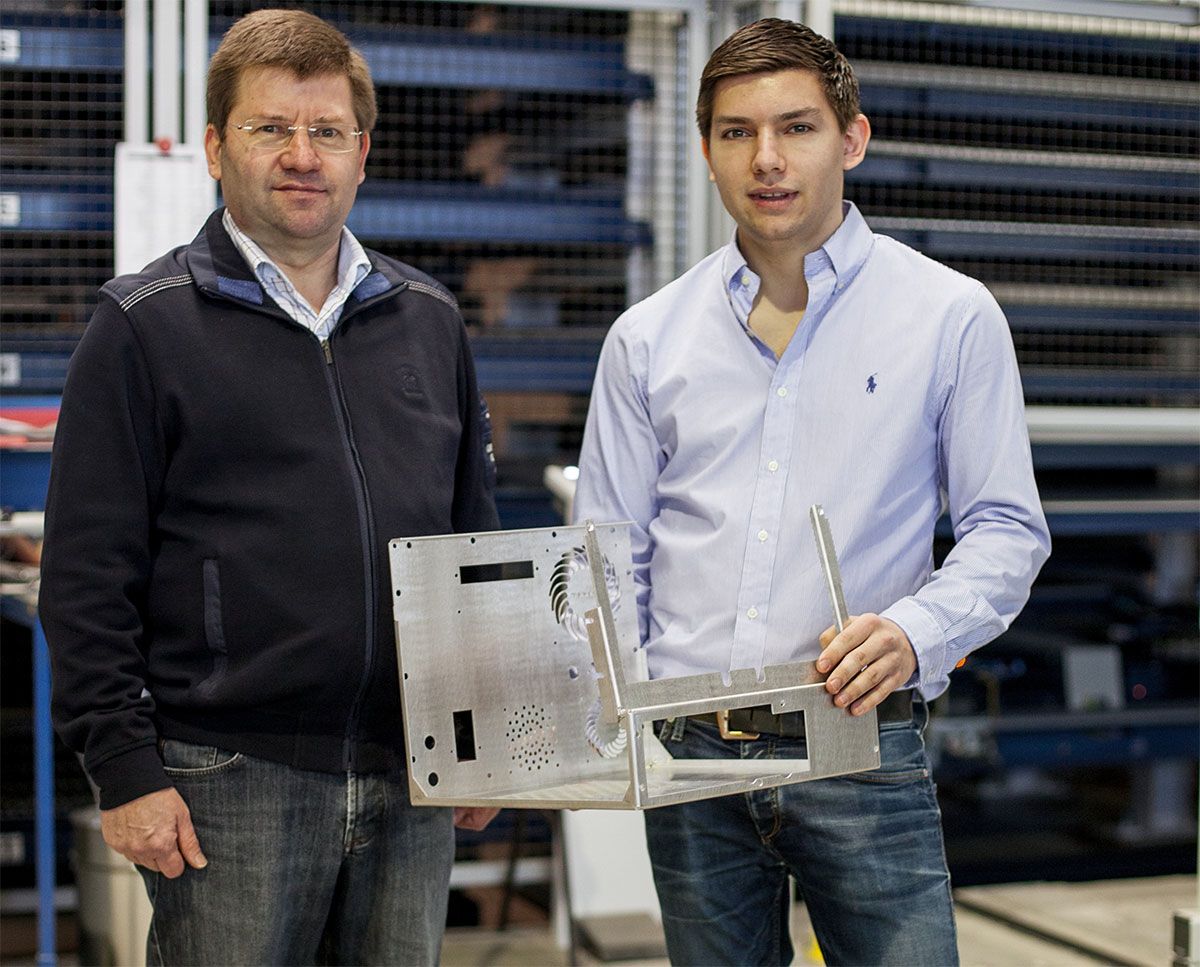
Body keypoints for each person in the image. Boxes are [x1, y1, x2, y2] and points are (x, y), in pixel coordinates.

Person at [574, 17, 1050, 967]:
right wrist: (621, 722)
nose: (767, 159)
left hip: (858, 741)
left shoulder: (949, 317)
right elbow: (606, 548)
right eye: (737, 132)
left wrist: (918, 630)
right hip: (690, 753)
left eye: (796, 127)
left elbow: (1006, 529)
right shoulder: (647, 338)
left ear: (853, 138)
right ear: (706, 150)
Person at [39, 10, 500, 964]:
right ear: (215, 146)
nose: (302, 155)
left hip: (409, 772)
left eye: (326, 131)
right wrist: (122, 768)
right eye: (269, 129)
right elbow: (85, 575)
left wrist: (482, 735)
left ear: (361, 153)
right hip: (229, 777)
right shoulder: (143, 326)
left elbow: (472, 544)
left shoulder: (428, 321)